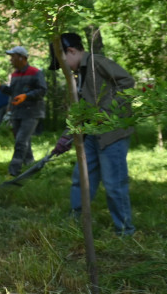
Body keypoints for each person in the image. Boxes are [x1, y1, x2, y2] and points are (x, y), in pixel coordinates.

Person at [50, 32, 136, 236]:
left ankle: (125, 231)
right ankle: (76, 219)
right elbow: (81, 110)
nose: (64, 68)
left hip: (112, 135)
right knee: (82, 178)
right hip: (90, 136)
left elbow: (126, 82)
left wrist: (105, 112)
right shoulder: (79, 75)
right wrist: (67, 136)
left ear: (71, 51)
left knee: (114, 184)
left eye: (62, 62)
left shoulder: (97, 63)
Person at [0, 46, 47, 177]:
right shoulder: (15, 75)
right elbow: (12, 92)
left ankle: (14, 171)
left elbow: (42, 90)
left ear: (22, 57)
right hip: (17, 112)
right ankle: (30, 164)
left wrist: (26, 96)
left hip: (32, 112)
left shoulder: (35, 72)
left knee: (21, 141)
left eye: (13, 57)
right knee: (23, 140)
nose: (11, 60)